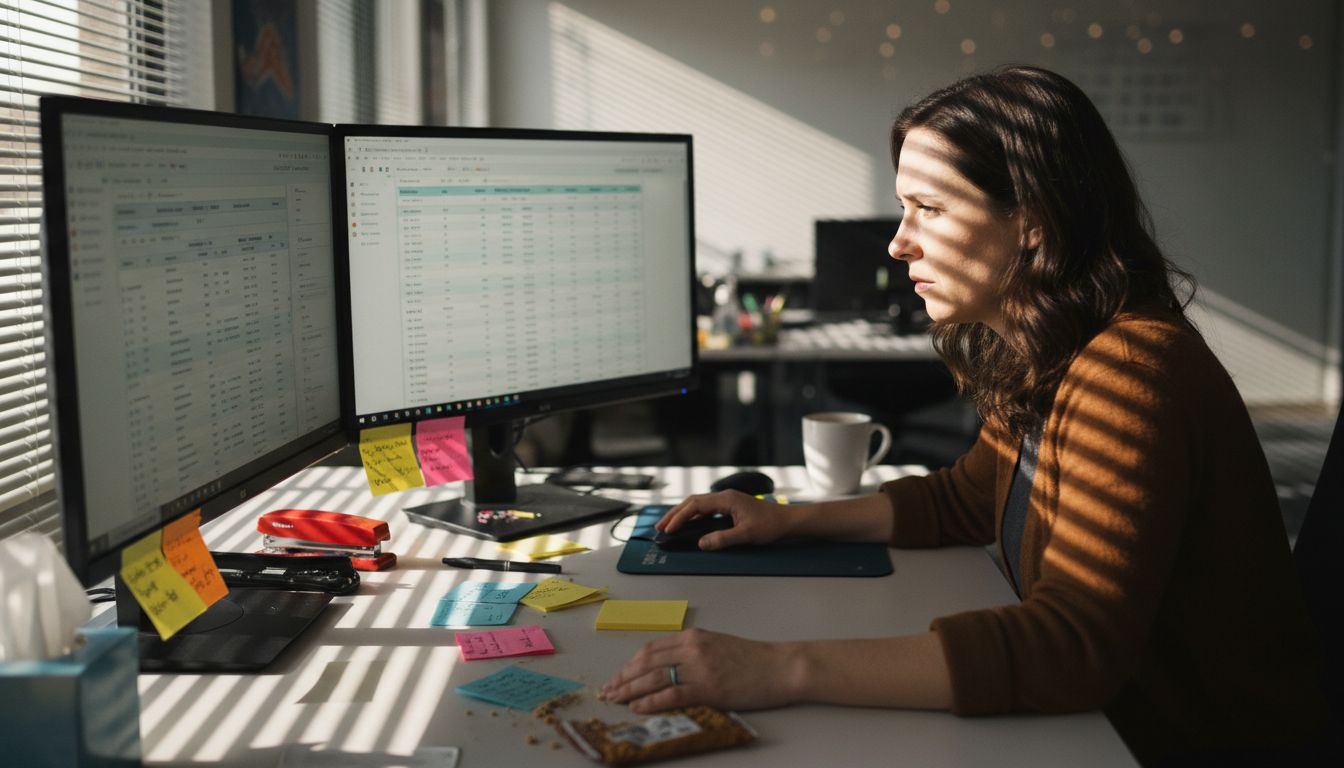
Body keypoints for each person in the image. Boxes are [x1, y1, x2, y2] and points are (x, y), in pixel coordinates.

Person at [602, 66, 1327, 765]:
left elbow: (1070, 650)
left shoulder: (1130, 373)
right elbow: (969, 497)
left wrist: (779, 668)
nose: (898, 241)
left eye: (931, 209)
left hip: (1186, 746)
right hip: (1108, 731)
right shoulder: (1055, 351)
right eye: (904, 207)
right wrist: (788, 520)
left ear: (1033, 223)